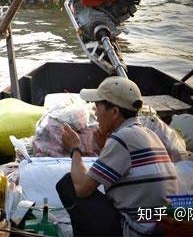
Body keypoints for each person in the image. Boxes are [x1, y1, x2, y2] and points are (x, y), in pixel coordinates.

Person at [56, 76, 178, 236]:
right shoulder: (147, 133)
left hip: (137, 231)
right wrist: (102, 147)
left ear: (114, 112)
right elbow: (122, 174)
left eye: (97, 107)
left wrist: (75, 149)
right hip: (157, 228)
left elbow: (82, 189)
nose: (95, 113)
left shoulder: (122, 137)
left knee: (68, 184)